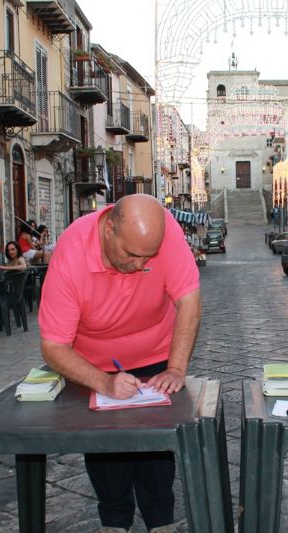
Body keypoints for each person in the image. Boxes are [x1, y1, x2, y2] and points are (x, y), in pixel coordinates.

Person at [38, 194, 201, 533]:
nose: (140, 265)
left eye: (148, 257)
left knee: (156, 452)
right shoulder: (72, 252)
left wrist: (176, 368)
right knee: (106, 452)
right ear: (108, 228)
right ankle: (114, 522)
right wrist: (104, 382)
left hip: (156, 355)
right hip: (93, 363)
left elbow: (189, 300)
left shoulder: (163, 233)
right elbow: (53, 346)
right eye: (130, 254)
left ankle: (161, 523)